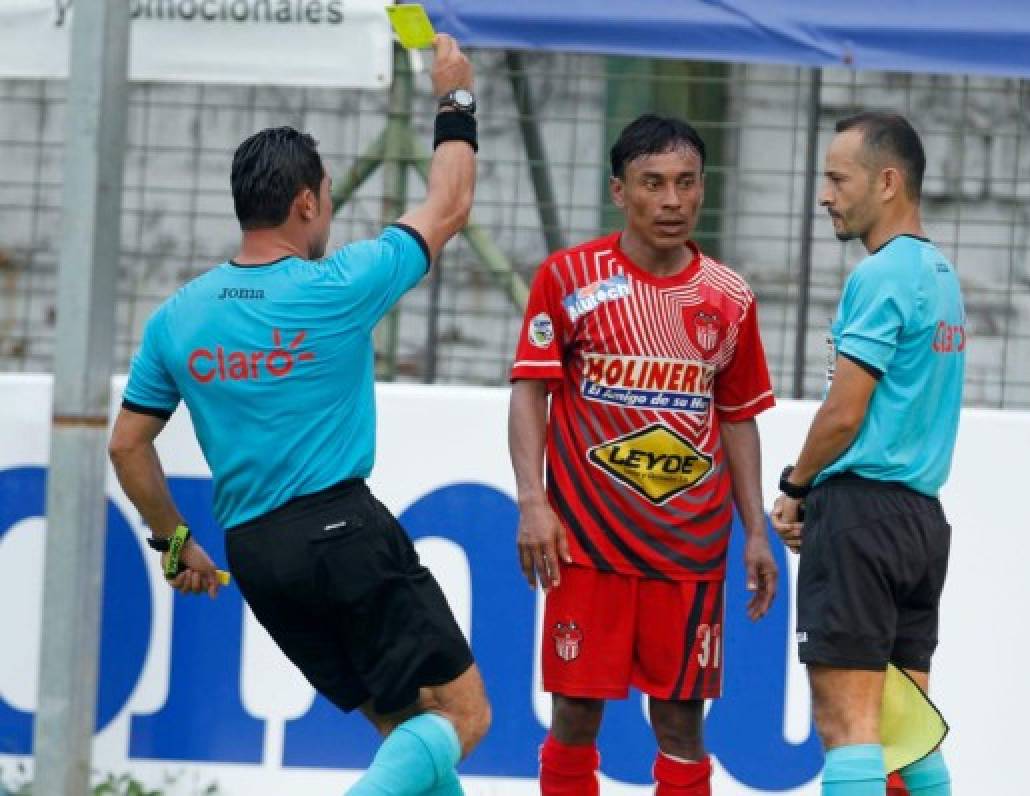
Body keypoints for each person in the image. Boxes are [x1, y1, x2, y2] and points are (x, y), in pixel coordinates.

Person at [107, 35, 488, 796]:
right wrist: (455, 96)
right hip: (341, 529)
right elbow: (449, 204)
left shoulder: (178, 318)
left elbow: (127, 447)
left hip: (256, 553)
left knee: (405, 729)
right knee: (463, 716)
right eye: (328, 198)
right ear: (306, 202)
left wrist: (175, 542)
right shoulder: (337, 283)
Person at [508, 114, 779, 796]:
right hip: (586, 546)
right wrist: (533, 502)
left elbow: (739, 420)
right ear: (618, 191)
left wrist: (756, 532)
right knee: (574, 715)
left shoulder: (730, 298)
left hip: (687, 549)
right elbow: (529, 392)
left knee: (683, 725)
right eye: (653, 183)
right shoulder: (568, 279)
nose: (672, 201)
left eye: (687, 183)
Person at [771, 111, 965, 796]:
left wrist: (795, 484)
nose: (825, 194)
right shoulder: (941, 274)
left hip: (859, 518)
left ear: (887, 182)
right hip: (919, 522)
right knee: (906, 732)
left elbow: (845, 412)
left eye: (836, 178)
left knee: (847, 728)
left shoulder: (880, 276)